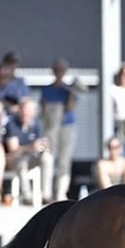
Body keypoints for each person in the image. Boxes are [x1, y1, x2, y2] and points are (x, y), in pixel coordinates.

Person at [41, 58, 79, 201]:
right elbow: (44, 110)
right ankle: (46, 193)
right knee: (48, 158)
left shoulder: (68, 90)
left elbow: (70, 107)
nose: (59, 73)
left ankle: (61, 193)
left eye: (61, 70)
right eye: (57, 70)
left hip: (67, 127)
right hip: (51, 128)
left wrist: (71, 92)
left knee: (64, 160)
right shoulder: (47, 90)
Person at [4, 97, 54, 205]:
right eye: (24, 110)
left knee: (47, 157)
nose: (25, 113)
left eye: (28, 110)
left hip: (30, 158)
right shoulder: (12, 124)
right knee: (21, 163)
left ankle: (46, 195)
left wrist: (44, 146)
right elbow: (13, 150)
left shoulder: (35, 124)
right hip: (14, 160)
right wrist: (30, 147)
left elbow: (40, 143)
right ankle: (27, 197)